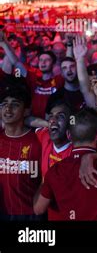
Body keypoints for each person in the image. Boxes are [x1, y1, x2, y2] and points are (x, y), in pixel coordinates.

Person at [0, 86, 42, 220]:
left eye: (15, 104)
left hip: (30, 215)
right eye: (4, 104)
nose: (8, 109)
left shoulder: (38, 142)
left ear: (26, 111)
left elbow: (46, 180)